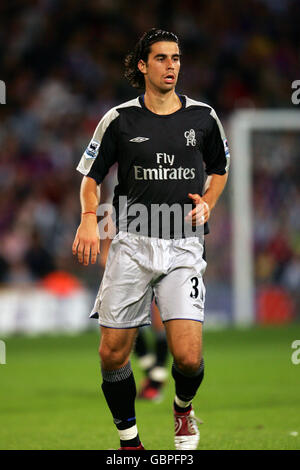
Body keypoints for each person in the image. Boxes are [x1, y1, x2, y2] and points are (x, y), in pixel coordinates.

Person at [72, 28, 229, 450]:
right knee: (112, 355)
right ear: (143, 65)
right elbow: (91, 177)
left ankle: (182, 410)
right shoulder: (119, 119)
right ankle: (130, 444)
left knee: (189, 358)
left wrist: (208, 202)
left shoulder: (203, 117)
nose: (171, 66)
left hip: (183, 245)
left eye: (176, 58)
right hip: (132, 245)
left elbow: (220, 169)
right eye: (161, 58)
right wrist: (90, 217)